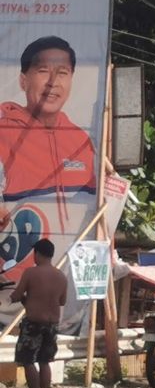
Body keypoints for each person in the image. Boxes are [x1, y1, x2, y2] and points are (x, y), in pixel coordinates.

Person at [0, 37, 96, 263]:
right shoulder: (4, 131)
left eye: (62, 73)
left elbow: (98, 210)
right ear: (23, 80)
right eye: (43, 71)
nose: (53, 82)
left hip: (71, 274)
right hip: (14, 277)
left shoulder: (82, 141)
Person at [11, 237, 66, 388]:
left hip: (34, 323)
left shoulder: (31, 273)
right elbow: (62, 301)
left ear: (38, 254)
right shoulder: (61, 276)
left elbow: (17, 295)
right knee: (45, 361)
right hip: (52, 324)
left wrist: (18, 297)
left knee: (27, 360)